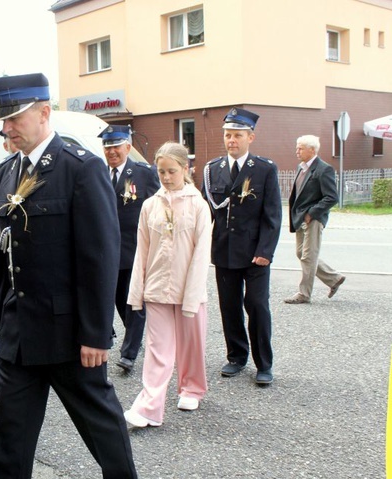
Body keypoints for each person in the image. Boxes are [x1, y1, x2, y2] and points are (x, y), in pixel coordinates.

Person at [0, 73, 138, 479]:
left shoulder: (80, 168)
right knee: (10, 434)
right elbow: (6, 251)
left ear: (43, 112)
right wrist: (2, 313)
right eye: (4, 119)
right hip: (20, 333)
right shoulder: (5, 172)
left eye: (14, 117)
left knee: (100, 426)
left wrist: (95, 333)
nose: (7, 127)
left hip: (70, 335)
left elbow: (99, 257)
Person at [124, 142, 211, 427]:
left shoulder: (198, 205)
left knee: (191, 344)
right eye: (161, 171)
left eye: (172, 171)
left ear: (185, 170)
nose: (166, 177)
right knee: (157, 349)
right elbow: (142, 251)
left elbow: (201, 255)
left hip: (189, 289)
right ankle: (149, 407)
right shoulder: (150, 205)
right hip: (157, 288)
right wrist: (137, 292)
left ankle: (192, 387)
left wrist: (193, 296)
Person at [202, 108, 282, 386]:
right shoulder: (213, 170)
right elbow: (206, 213)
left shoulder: (264, 169)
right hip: (224, 251)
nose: (231, 140)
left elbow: (272, 215)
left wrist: (265, 252)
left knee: (258, 306)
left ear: (251, 137)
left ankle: (264, 363)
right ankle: (236, 356)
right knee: (229, 306)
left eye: (237, 135)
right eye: (227, 135)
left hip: (254, 252)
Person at [98, 124, 160, 373]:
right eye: (107, 146)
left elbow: (157, 209)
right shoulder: (99, 173)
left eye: (116, 146)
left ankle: (129, 353)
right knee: (115, 299)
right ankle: (134, 340)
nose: (111, 151)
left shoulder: (144, 174)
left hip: (134, 250)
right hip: (106, 252)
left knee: (134, 302)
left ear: (128, 146)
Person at [284, 135, 345, 304]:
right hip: (300, 217)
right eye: (297, 147)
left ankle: (304, 294)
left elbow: (332, 197)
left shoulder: (324, 169)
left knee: (308, 256)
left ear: (312, 150)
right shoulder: (301, 167)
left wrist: (312, 212)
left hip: (314, 218)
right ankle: (334, 278)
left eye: (300, 148)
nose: (297, 151)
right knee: (301, 253)